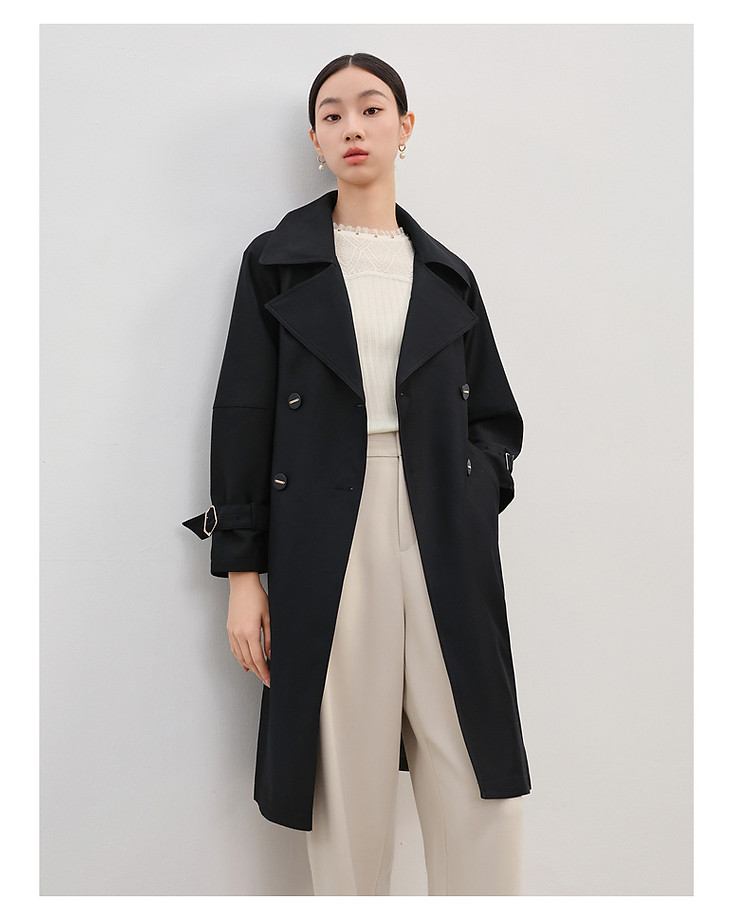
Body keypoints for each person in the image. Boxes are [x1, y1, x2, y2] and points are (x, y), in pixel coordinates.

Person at [183, 52, 531, 896]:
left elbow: (495, 416)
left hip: (442, 522)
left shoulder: (447, 273)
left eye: (371, 109)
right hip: (325, 527)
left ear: (404, 128)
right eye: (332, 114)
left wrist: (474, 488)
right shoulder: (278, 262)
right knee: (346, 773)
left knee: (476, 766)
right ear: (314, 140)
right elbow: (243, 415)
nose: (352, 127)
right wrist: (242, 573)